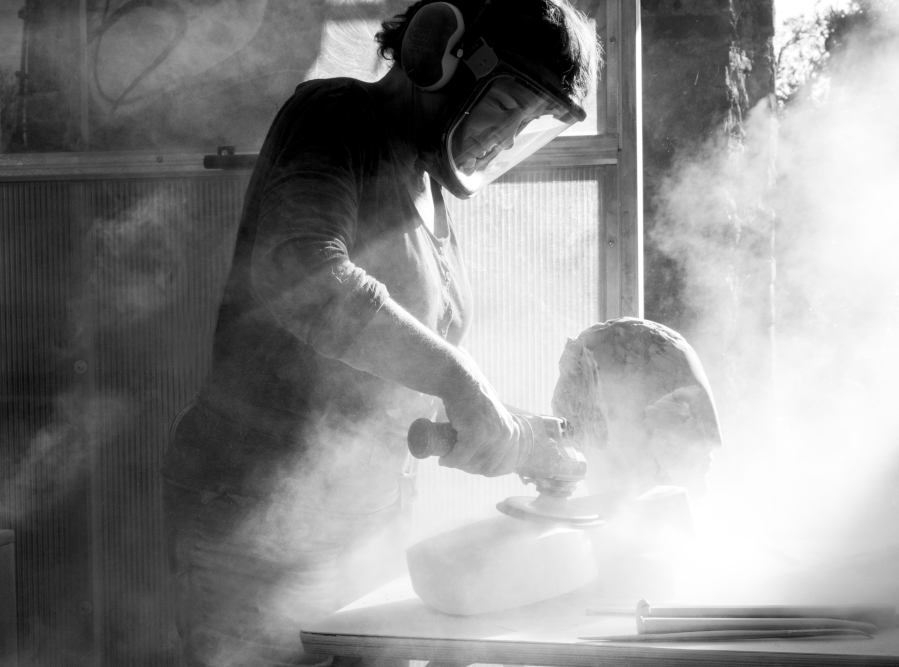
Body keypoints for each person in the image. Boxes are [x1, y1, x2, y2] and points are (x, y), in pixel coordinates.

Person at [160, 1, 600, 665]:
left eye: (528, 121)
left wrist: (505, 427)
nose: (508, 136)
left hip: (364, 520)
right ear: (440, 49)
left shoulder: (430, 184)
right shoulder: (339, 117)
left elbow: (397, 368)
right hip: (255, 514)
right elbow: (299, 268)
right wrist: (460, 381)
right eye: (508, 103)